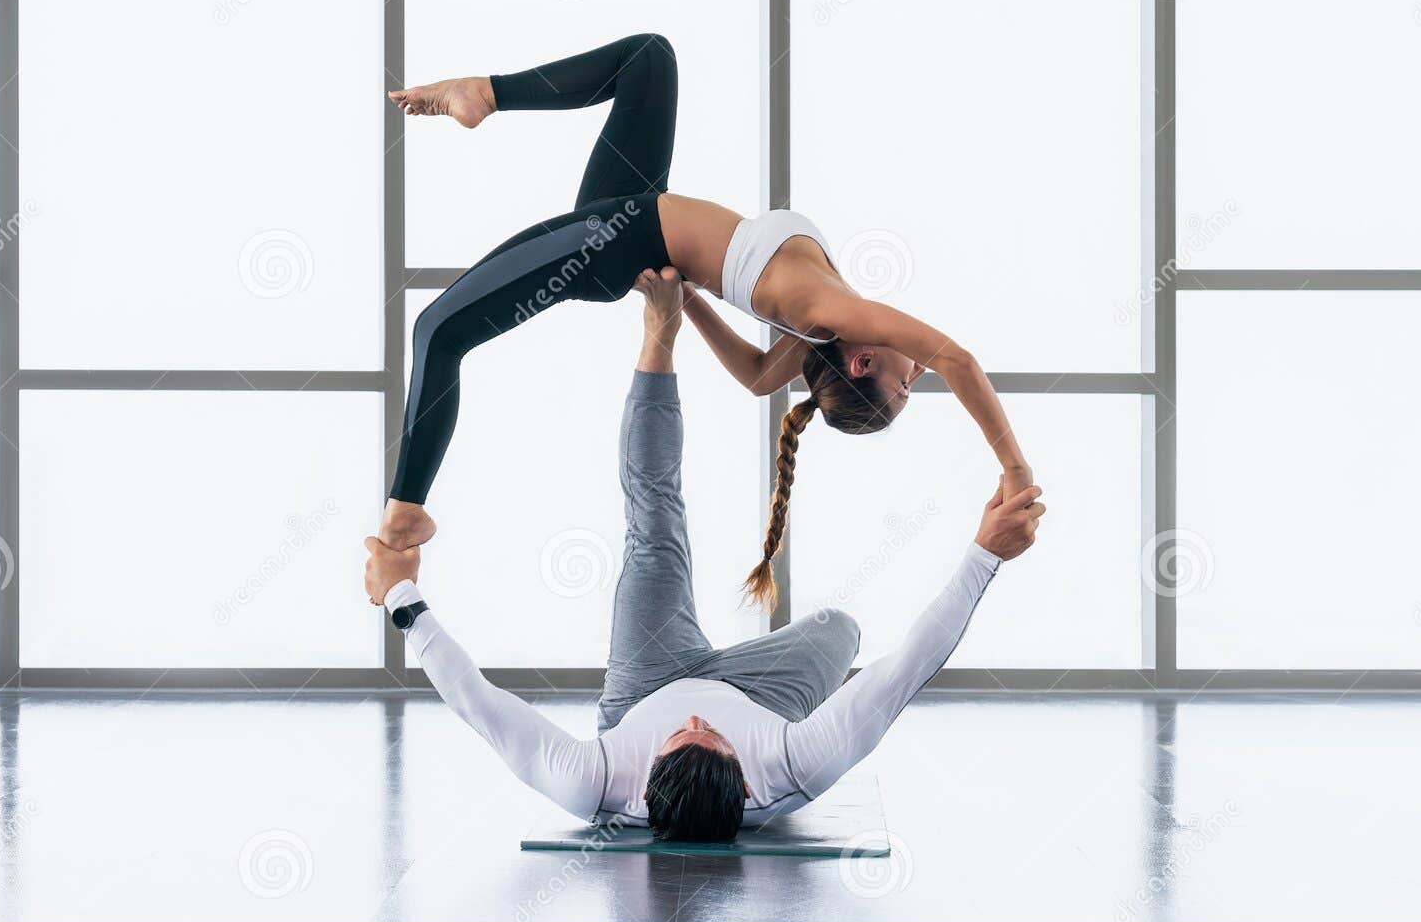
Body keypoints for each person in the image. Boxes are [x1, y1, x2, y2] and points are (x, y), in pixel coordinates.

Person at [363, 269, 1043, 842]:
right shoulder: (794, 762)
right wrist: (986, 554)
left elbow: (478, 703)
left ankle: (659, 333)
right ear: (747, 780)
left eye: (680, 736)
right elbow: (906, 668)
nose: (694, 720)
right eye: (708, 734)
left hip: (644, 681)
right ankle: (778, 670)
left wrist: (401, 597)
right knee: (842, 628)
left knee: (655, 523)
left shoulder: (591, 780)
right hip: (764, 699)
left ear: (643, 785)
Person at [380, 34, 1034, 607]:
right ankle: (484, 93)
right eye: (911, 385)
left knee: (438, 331)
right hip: (631, 217)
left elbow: (957, 358)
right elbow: (756, 376)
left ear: (863, 362)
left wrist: (1015, 471)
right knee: (649, 60)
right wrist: (684, 296)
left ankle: (406, 513)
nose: (916, 370)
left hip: (613, 239)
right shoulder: (816, 327)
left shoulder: (827, 311)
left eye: (903, 385)